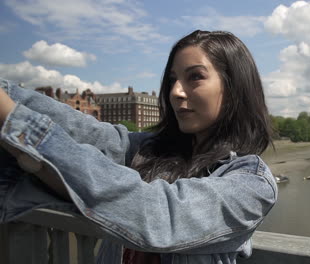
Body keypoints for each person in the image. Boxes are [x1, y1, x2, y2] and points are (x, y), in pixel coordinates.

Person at [0, 30, 277, 264]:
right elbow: (84, 132)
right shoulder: (149, 150)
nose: (175, 92)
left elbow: (159, 216)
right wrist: (8, 96)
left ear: (233, 89)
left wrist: (19, 124)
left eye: (194, 77)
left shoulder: (252, 184)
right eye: (172, 80)